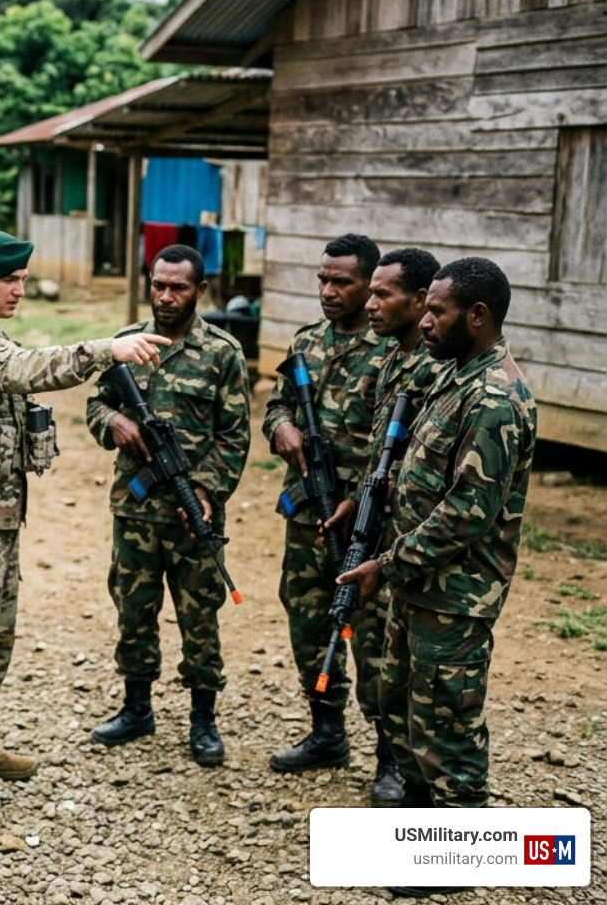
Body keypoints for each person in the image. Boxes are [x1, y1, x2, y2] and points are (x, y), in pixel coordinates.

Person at [0, 230, 168, 818]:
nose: (20, 289)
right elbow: (27, 369)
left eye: (24, 279)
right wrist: (107, 350)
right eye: (10, 280)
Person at [338, 258, 535, 820]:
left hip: (455, 597)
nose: (424, 320)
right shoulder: (454, 374)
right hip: (416, 583)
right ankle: (418, 825)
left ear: (477, 316)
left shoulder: (494, 399)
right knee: (398, 705)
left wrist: (387, 564)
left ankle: (452, 853)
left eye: (437, 311)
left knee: (447, 726)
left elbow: (467, 513)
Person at [84, 245, 251, 766]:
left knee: (199, 616)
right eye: (158, 284)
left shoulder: (223, 353)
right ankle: (137, 708)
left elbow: (236, 437)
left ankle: (203, 719)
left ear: (201, 290)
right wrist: (112, 423)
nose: (165, 296)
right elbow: (96, 400)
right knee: (134, 611)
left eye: (178, 287)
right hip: (134, 512)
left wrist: (204, 488)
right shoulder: (126, 345)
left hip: (193, 515)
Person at [262, 232, 387, 775]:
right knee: (309, 621)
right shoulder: (307, 341)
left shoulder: (395, 352)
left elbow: (400, 447)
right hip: (308, 517)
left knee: (376, 637)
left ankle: (392, 755)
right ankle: (326, 732)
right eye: (322, 279)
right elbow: (275, 405)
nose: (328, 291)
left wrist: (360, 498)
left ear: (370, 285)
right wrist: (282, 426)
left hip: (364, 523)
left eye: (342, 282)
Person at [322, 246, 443, 805]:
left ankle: (399, 768)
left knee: (402, 667)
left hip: (417, 542)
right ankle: (385, 756)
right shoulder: (392, 357)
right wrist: (356, 498)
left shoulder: (441, 368)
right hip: (377, 525)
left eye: (381, 294)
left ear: (419, 302)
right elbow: (383, 453)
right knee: (376, 648)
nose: (370, 304)